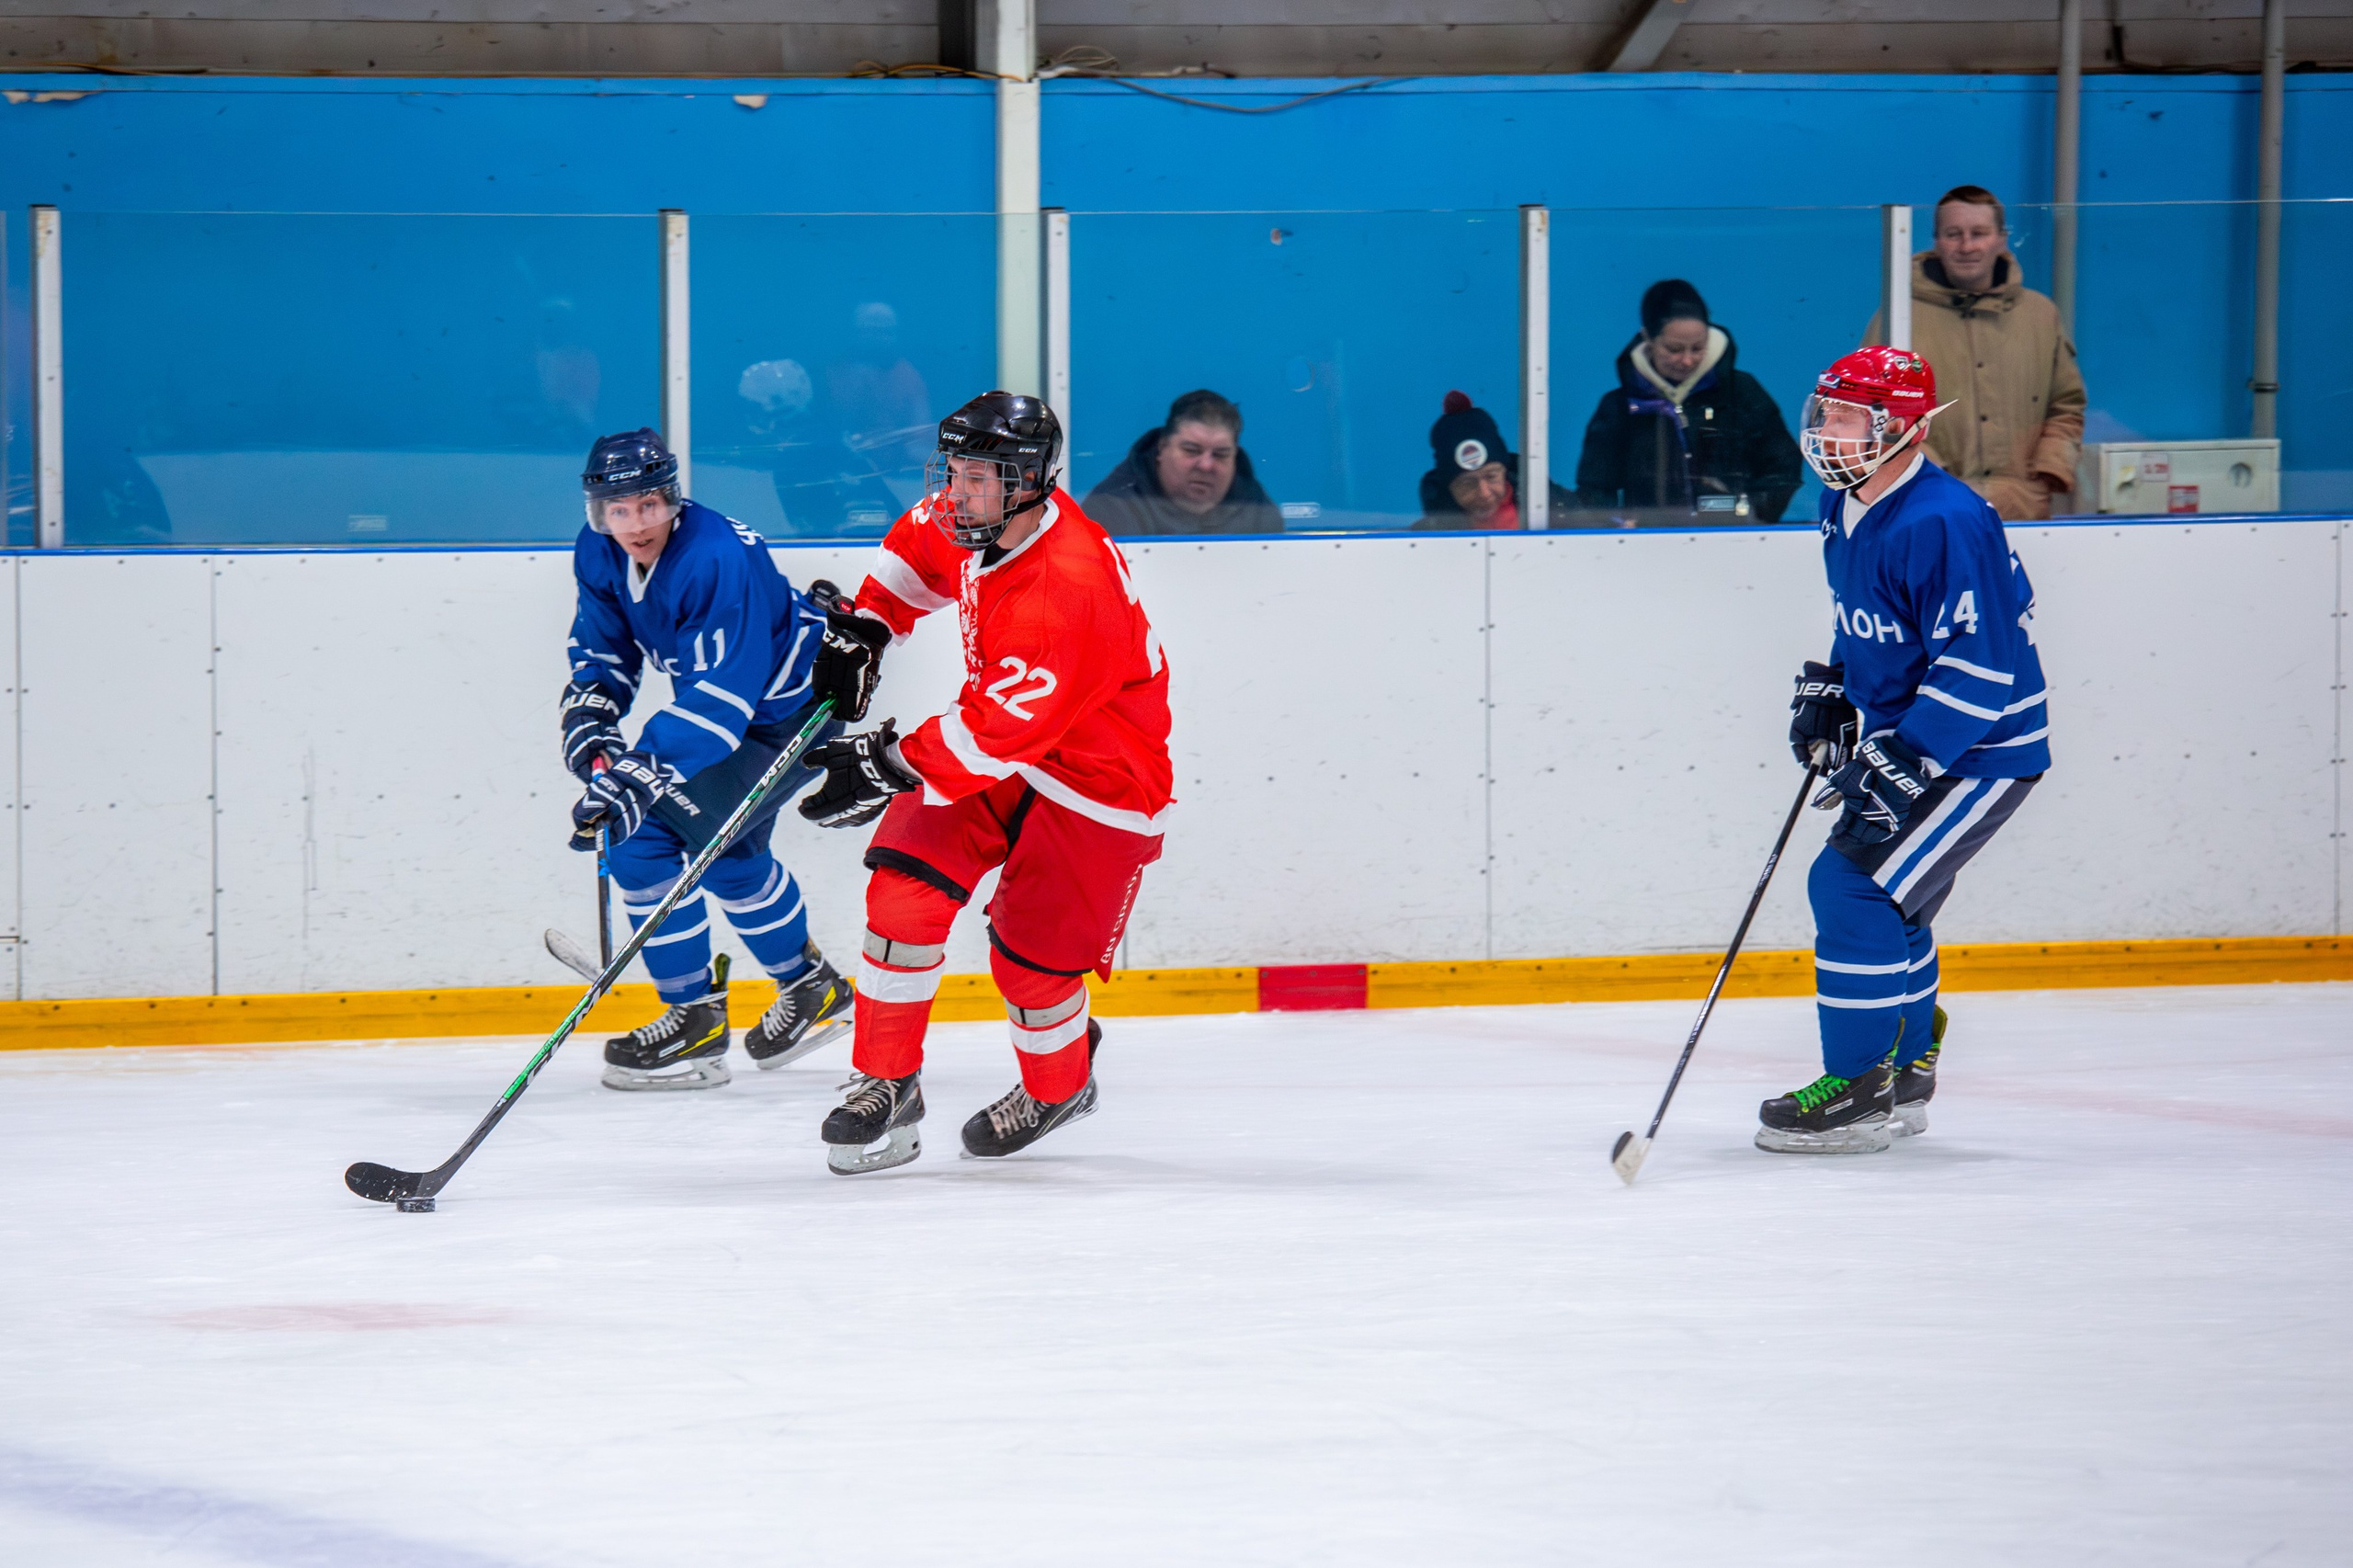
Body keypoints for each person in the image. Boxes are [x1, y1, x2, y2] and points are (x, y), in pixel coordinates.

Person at [793, 392, 1174, 1175]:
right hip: (997, 749)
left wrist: (887, 764)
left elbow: (998, 732)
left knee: (1032, 969)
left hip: (1099, 783)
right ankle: (886, 1083)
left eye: (976, 478)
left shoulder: (1066, 586)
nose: (955, 493)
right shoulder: (982, 515)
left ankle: (1060, 1087)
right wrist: (870, 625)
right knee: (903, 896)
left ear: (1026, 483)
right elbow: (915, 551)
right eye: (955, 471)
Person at [1767, 347, 2051, 1154]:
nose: (1829, 430)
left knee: (1851, 886)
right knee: (1899, 900)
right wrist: (1837, 684)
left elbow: (1980, 664)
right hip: (1923, 737)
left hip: (1979, 747)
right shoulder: (1844, 500)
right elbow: (1871, 615)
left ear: (1905, 429)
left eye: (1851, 417)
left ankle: (1858, 1089)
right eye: (1826, 412)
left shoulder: (1944, 520)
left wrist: (1908, 756)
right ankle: (1906, 1065)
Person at [562, 427, 889, 1090]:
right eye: (618, 510)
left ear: (673, 498)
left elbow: (721, 701)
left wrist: (640, 772)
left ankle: (695, 1021)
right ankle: (811, 989)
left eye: (649, 505)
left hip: (788, 713)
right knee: (727, 852)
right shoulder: (598, 550)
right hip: (744, 717)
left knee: (645, 835)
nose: (635, 524)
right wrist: (592, 720)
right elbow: (603, 650)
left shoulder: (712, 557)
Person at [1864, 186, 2086, 521]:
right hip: (1928, 512)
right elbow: (1871, 411)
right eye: (1953, 234)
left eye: (1979, 234)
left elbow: (2066, 407)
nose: (1966, 246)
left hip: (2023, 513)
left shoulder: (2041, 316)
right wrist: (1930, 479)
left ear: (2002, 240)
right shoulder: (1897, 319)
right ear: (1937, 242)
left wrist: (2046, 475)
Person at [1572, 279, 1803, 521]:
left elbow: (1783, 466)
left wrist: (1751, 517)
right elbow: (1594, 488)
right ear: (1648, 339)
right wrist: (1618, 527)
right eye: (1674, 349)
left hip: (1736, 536)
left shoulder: (1742, 393)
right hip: (1646, 541)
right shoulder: (1620, 407)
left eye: (1698, 348)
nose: (1687, 360)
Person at [1082, 389, 1282, 535]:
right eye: (1191, 451)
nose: (1206, 465)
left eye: (1220, 454)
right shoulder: (1108, 512)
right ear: (1162, 448)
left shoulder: (1260, 515)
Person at [1414, 391, 1574, 530]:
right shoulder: (1424, 540)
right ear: (1450, 487)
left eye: (1491, 476)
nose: (1484, 493)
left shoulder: (1563, 514)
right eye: (1468, 483)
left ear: (1505, 472)